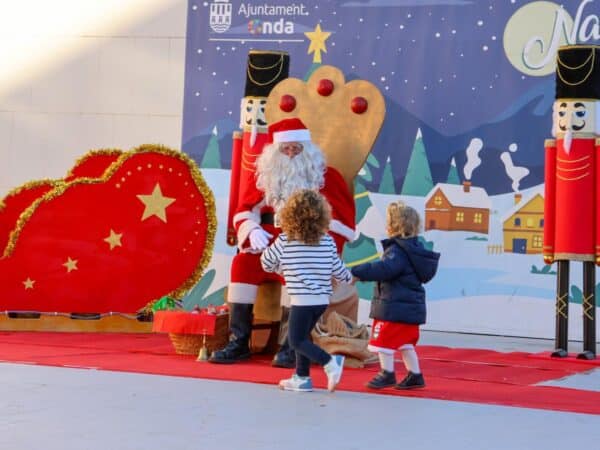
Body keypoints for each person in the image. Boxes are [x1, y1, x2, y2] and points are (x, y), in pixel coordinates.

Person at [209, 118, 355, 364]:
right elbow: (244, 209)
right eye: (285, 149)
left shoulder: (326, 177)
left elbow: (340, 222)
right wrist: (250, 229)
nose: (290, 154)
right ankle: (238, 342)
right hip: (268, 242)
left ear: (307, 149)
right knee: (242, 265)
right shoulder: (266, 176)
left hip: (304, 245)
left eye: (296, 148)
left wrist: (315, 248)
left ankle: (289, 346)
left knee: (296, 270)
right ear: (275, 152)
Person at [260, 189, 351, 392]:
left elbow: (265, 262)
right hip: (321, 301)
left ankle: (330, 362)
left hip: (302, 300)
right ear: (321, 216)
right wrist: (348, 277)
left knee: (296, 340)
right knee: (303, 337)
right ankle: (302, 378)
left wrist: (279, 267)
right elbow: (338, 269)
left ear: (289, 216)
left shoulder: (285, 240)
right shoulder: (327, 241)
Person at [351, 201, 440, 389]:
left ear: (393, 226)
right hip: (409, 309)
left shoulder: (397, 251)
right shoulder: (414, 251)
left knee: (382, 341)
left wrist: (358, 272)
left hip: (393, 308)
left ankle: (387, 373)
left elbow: (384, 269)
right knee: (406, 344)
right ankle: (415, 375)